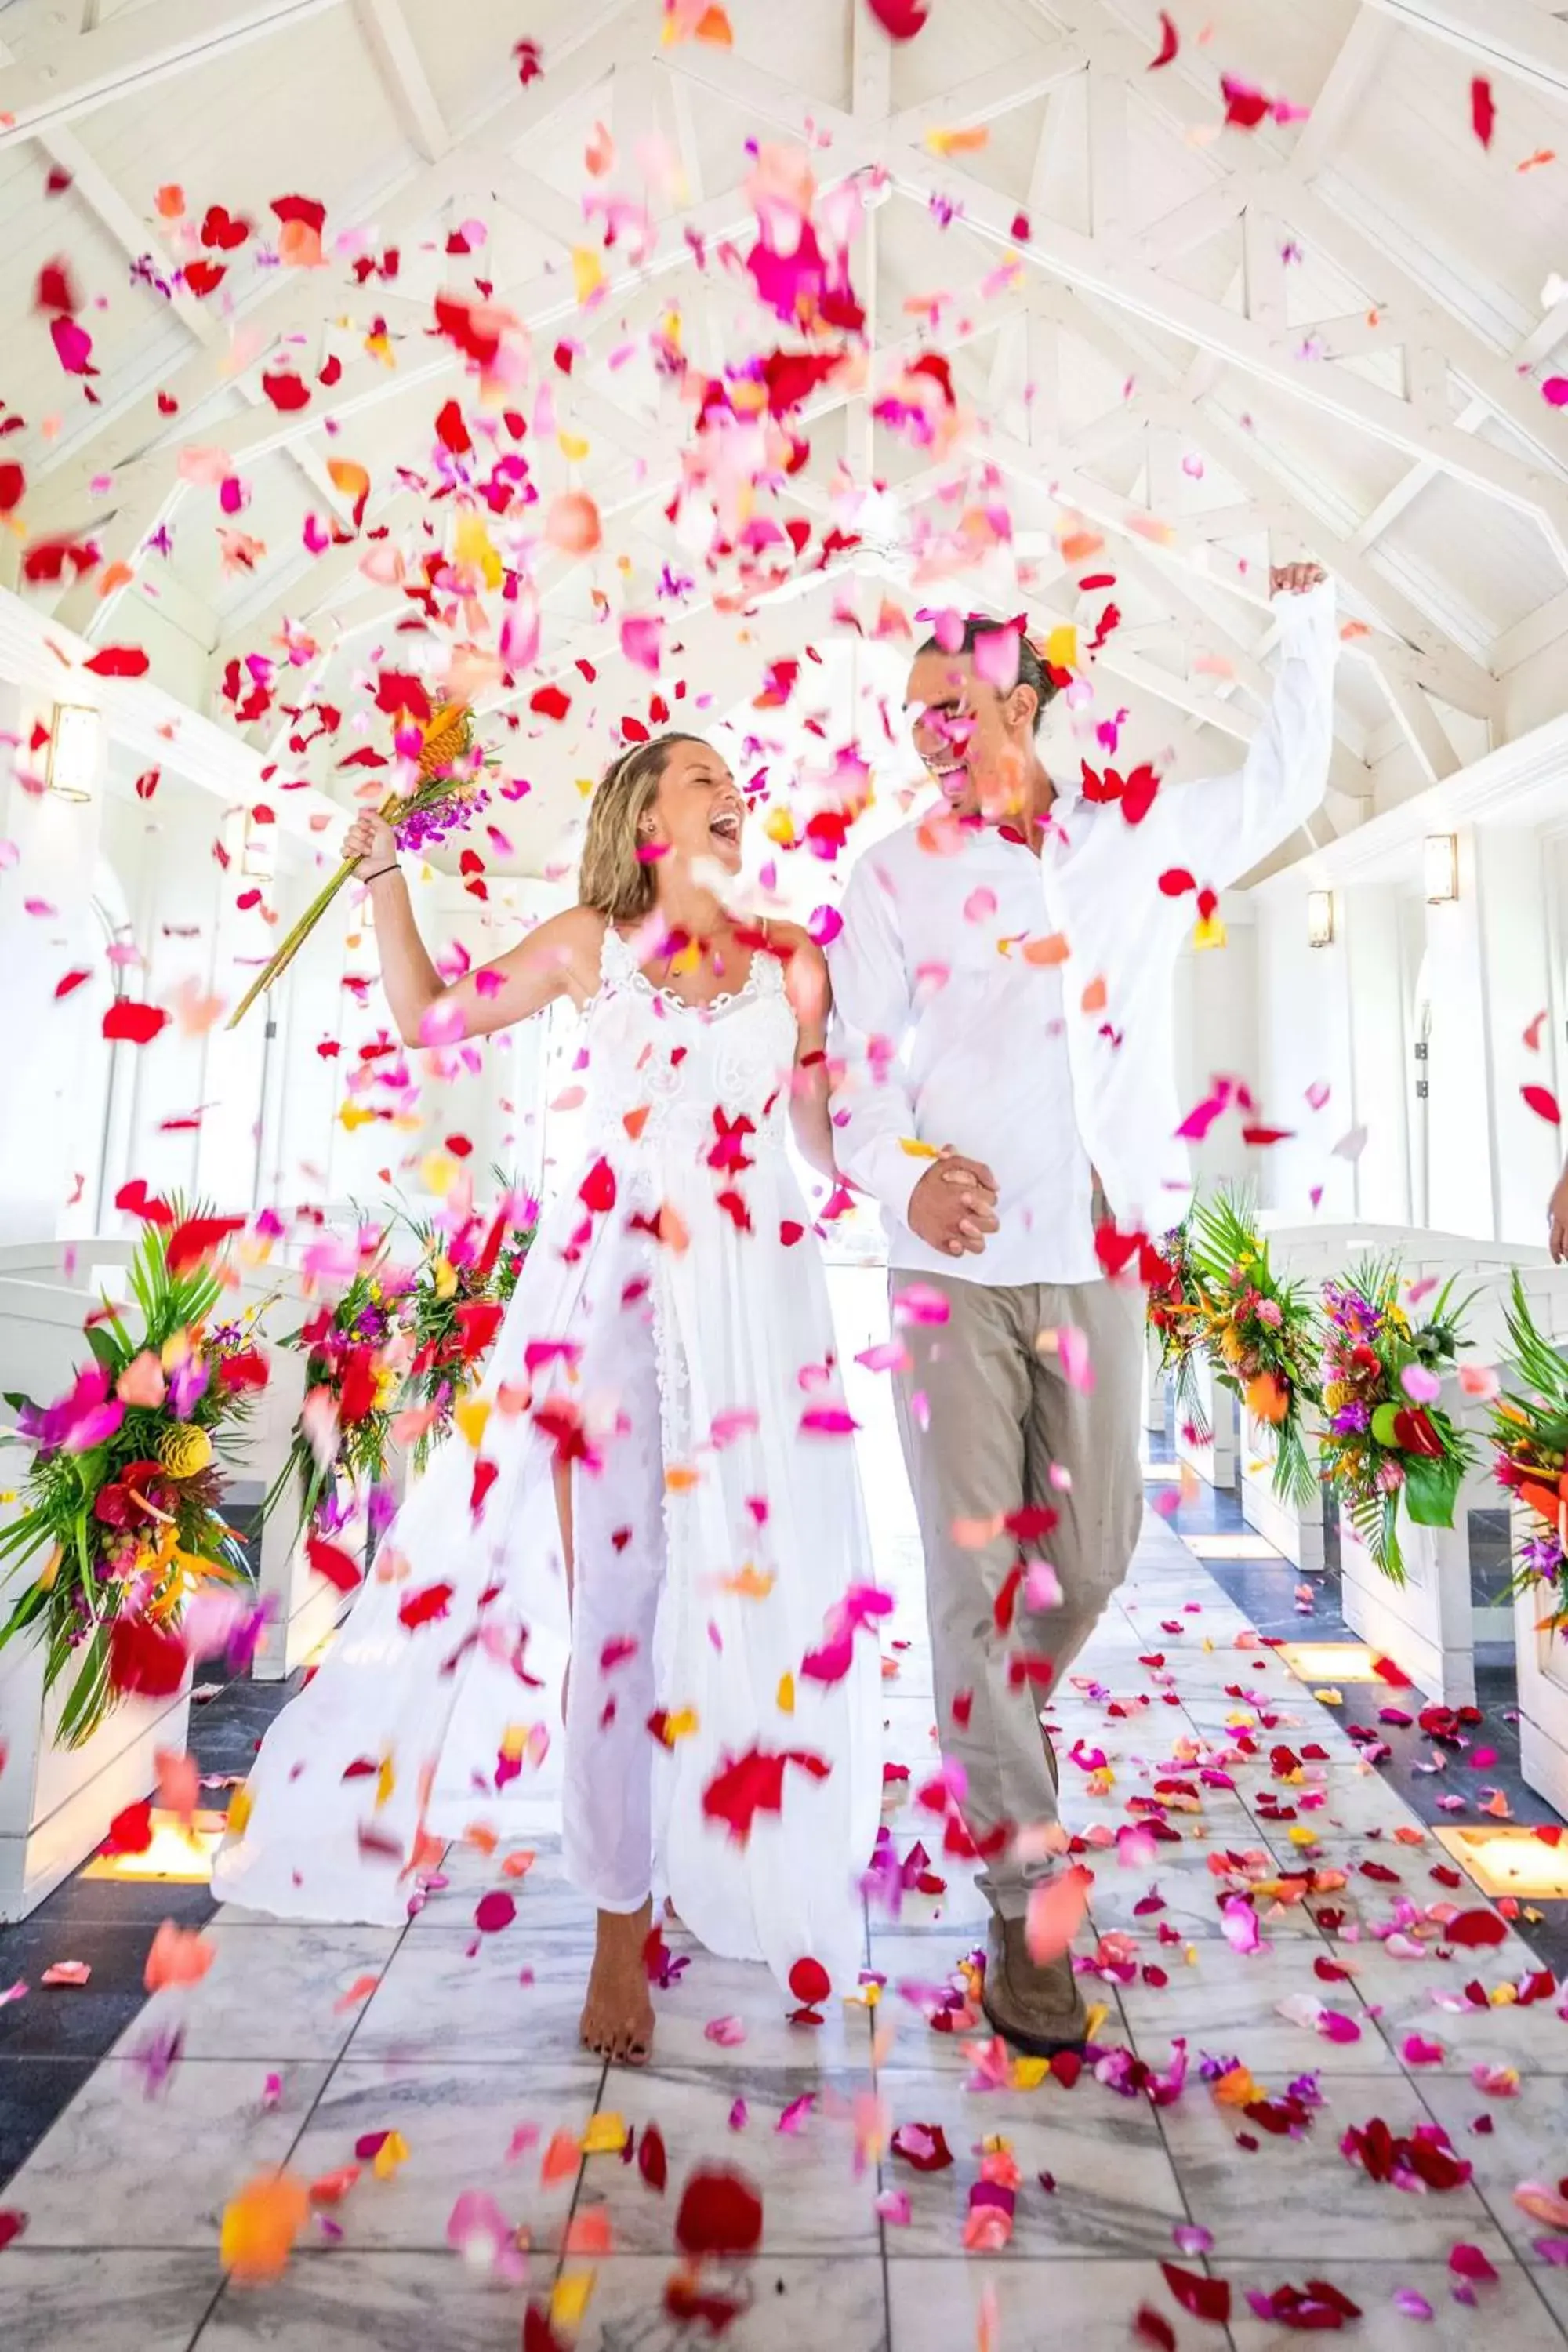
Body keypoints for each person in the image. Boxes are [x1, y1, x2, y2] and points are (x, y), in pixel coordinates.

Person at [214, 733, 883, 2066]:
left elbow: (819, 1138)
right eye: (698, 777)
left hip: (763, 1306)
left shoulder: (793, 959)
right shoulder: (592, 940)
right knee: (622, 1618)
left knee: (759, 1595)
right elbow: (429, 1020)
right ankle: (618, 1934)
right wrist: (386, 877)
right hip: (623, 1298)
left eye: (730, 780)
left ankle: (735, 1857)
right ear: (642, 811)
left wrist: (907, 1166)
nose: (729, 790)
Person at [826, 561, 1338, 2053]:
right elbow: (854, 1082)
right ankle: (1024, 1907)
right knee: (973, 1585)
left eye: (956, 705)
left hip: (1101, 1249)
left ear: (1032, 698)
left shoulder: (1136, 837)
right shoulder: (889, 874)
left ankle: (991, 1733)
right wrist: (900, 1177)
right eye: (914, 714)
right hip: (948, 1274)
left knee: (1097, 1548)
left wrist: (1299, 627)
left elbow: (1289, 778)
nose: (928, 733)